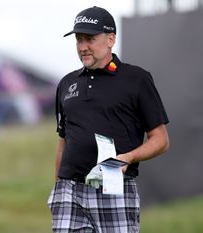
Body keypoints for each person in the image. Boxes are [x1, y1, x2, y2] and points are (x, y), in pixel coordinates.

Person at [47, 6, 169, 233]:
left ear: (111, 39)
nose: (83, 47)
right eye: (78, 40)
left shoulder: (137, 79)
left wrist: (128, 158)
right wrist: (57, 189)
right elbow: (63, 144)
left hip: (115, 189)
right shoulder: (66, 83)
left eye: (90, 39)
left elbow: (160, 140)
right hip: (69, 192)